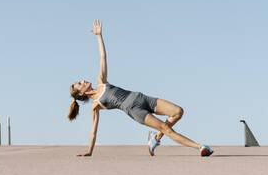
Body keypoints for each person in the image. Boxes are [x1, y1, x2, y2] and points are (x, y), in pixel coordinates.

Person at [68, 20, 213, 157]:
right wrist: (89, 151)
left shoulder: (101, 81)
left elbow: (103, 56)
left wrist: (99, 36)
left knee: (178, 112)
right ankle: (200, 147)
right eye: (79, 83)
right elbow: (93, 131)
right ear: (81, 93)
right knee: (165, 128)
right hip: (135, 111)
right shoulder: (95, 106)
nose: (82, 80)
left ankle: (155, 139)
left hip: (142, 98)